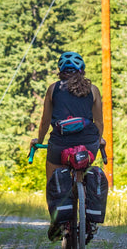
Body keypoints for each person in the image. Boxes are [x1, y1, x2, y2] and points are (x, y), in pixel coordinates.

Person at [31, 52, 104, 237]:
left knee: (52, 180)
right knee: (83, 170)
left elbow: (45, 121)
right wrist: (99, 139)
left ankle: (57, 221)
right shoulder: (93, 90)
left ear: (61, 71)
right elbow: (99, 122)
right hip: (89, 143)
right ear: (83, 70)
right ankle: (87, 219)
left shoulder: (53, 89)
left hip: (60, 144)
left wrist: (38, 141)